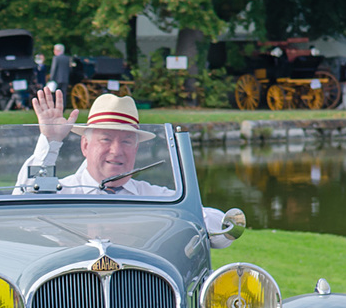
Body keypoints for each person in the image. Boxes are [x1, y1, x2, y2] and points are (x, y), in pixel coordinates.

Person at [16, 88, 235, 246]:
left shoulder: (153, 198)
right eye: (105, 139)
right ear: (85, 145)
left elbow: (221, 231)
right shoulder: (61, 193)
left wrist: (167, 217)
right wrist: (51, 143)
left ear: (136, 149)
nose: (116, 150)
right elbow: (20, 211)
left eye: (127, 141)